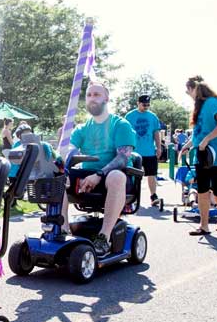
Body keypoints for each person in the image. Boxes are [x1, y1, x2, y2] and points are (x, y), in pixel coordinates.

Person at [60, 82, 137, 256]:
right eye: (89, 95)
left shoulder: (120, 124)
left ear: (106, 99)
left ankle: (104, 237)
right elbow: (70, 150)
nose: (92, 98)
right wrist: (63, 162)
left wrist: (99, 174)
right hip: (86, 178)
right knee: (57, 176)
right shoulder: (81, 129)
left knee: (116, 175)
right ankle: (63, 230)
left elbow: (123, 158)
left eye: (96, 94)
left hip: (115, 178)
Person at [179, 75, 217, 234]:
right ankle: (204, 225)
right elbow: (199, 133)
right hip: (202, 155)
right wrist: (187, 146)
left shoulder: (212, 103)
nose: (188, 94)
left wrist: (207, 140)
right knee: (202, 187)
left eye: (188, 91)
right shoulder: (198, 107)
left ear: (193, 89)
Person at [124, 95, 163, 206]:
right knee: (134, 175)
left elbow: (156, 132)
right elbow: (125, 132)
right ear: (138, 103)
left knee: (152, 174)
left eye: (148, 105)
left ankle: (153, 195)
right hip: (134, 152)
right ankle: (133, 195)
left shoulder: (153, 117)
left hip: (149, 151)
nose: (146, 107)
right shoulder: (130, 116)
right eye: (143, 104)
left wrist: (159, 147)